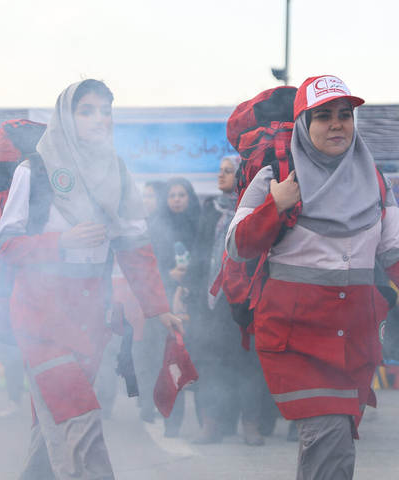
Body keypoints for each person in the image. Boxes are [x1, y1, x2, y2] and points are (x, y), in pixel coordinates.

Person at [0, 79, 183, 480]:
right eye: (87, 110)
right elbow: (6, 244)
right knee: (79, 423)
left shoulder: (118, 170)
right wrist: (61, 242)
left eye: (106, 109)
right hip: (40, 319)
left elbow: (135, 245)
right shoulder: (35, 169)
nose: (100, 118)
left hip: (90, 321)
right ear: (65, 117)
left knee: (52, 430)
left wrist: (158, 307)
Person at [226, 75, 399, 479]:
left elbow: (393, 252)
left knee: (331, 444)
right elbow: (237, 245)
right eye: (323, 116)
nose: (337, 124)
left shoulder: (374, 179)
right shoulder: (275, 174)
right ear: (303, 123)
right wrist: (274, 205)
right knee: (329, 437)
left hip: (353, 337)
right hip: (295, 337)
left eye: (344, 115)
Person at [179, 155, 277, 445]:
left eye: (227, 172)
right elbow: (199, 253)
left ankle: (251, 425)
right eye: (219, 171)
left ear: (242, 177)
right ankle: (211, 424)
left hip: (244, 303)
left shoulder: (255, 211)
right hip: (209, 303)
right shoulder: (211, 211)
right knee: (210, 363)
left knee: (247, 364)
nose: (220, 176)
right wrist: (186, 289)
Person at [141, 176, 200, 434]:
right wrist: (169, 274)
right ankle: (171, 423)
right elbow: (147, 267)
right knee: (168, 362)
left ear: (190, 197)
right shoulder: (156, 226)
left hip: (195, 302)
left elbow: (208, 259)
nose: (176, 199)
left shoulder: (201, 224)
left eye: (182, 195)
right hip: (165, 305)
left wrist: (189, 276)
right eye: (172, 195)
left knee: (197, 362)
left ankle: (208, 423)